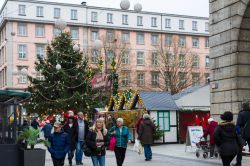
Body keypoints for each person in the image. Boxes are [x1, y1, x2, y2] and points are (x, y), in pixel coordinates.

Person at [233, 101, 250, 166]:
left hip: (244, 133)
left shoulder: (241, 113)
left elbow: (238, 125)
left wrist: (238, 133)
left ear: (243, 106)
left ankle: (238, 163)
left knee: (239, 149)